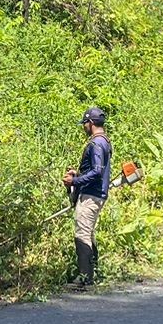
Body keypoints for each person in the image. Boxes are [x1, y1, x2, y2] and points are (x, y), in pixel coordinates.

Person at [63, 106, 112, 289]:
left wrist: (74, 180)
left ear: (90, 123)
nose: (84, 127)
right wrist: (79, 174)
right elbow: (95, 170)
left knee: (82, 234)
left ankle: (85, 280)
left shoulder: (96, 143)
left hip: (91, 196)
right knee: (88, 232)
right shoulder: (104, 141)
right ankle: (93, 274)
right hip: (96, 194)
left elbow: (97, 171)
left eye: (84, 123)